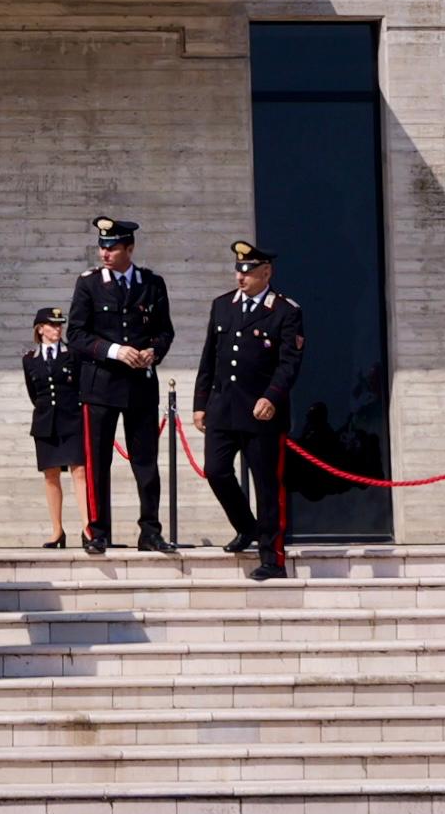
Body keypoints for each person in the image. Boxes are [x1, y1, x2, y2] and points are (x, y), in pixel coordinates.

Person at [195, 239, 307, 580]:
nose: (241, 277)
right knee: (215, 470)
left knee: (267, 486)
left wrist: (271, 397)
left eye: (248, 271)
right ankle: (246, 526)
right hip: (223, 409)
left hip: (262, 415)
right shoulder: (223, 305)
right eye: (238, 270)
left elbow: (289, 363)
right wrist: (200, 404)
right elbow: (209, 359)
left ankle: (272, 558)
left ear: (266, 271)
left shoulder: (286, 311)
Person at [64, 217, 174, 553]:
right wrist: (114, 351)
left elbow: (165, 331)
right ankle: (97, 531)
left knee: (145, 462)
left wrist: (153, 351)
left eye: (112, 247)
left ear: (129, 248)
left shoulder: (151, 284)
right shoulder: (89, 284)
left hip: (140, 385)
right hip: (100, 385)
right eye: (102, 246)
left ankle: (150, 530)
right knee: (97, 461)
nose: (105, 252)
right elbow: (77, 335)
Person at [20, 305, 84, 545]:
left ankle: (88, 527)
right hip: (46, 422)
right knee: (51, 476)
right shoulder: (29, 359)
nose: (57, 329)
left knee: (80, 472)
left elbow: (79, 385)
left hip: (71, 419)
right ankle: (57, 530)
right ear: (40, 328)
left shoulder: (73, 354)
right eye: (52, 325)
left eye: (59, 325)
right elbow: (34, 393)